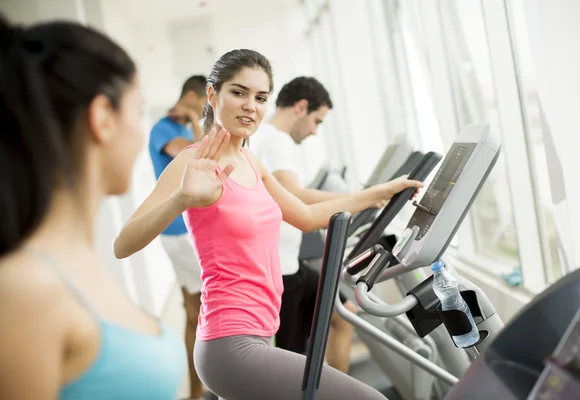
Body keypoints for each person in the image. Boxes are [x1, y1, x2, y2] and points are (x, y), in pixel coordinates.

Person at [113, 49, 422, 400]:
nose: (251, 106)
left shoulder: (251, 161)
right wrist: (181, 199)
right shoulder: (192, 160)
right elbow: (122, 244)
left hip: (259, 331)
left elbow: (304, 216)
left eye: (260, 98)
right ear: (213, 95)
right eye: (239, 93)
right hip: (229, 343)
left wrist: (377, 194)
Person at [0, 16, 185, 400]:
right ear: (103, 118)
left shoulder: (75, 262)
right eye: (139, 112)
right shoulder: (25, 288)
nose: (141, 133)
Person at [250, 77, 356, 373]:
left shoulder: (267, 138)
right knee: (292, 363)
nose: (313, 131)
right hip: (280, 272)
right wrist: (360, 198)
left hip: (286, 265)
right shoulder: (275, 140)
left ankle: (335, 392)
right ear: (300, 107)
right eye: (316, 121)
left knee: (344, 312)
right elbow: (296, 197)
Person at [149, 75, 209, 400]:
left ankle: (198, 391)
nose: (201, 113)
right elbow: (195, 159)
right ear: (190, 96)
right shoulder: (163, 129)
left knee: (193, 309)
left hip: (186, 229)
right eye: (201, 105)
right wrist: (195, 126)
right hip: (177, 232)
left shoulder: (184, 129)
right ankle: (199, 390)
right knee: (199, 309)